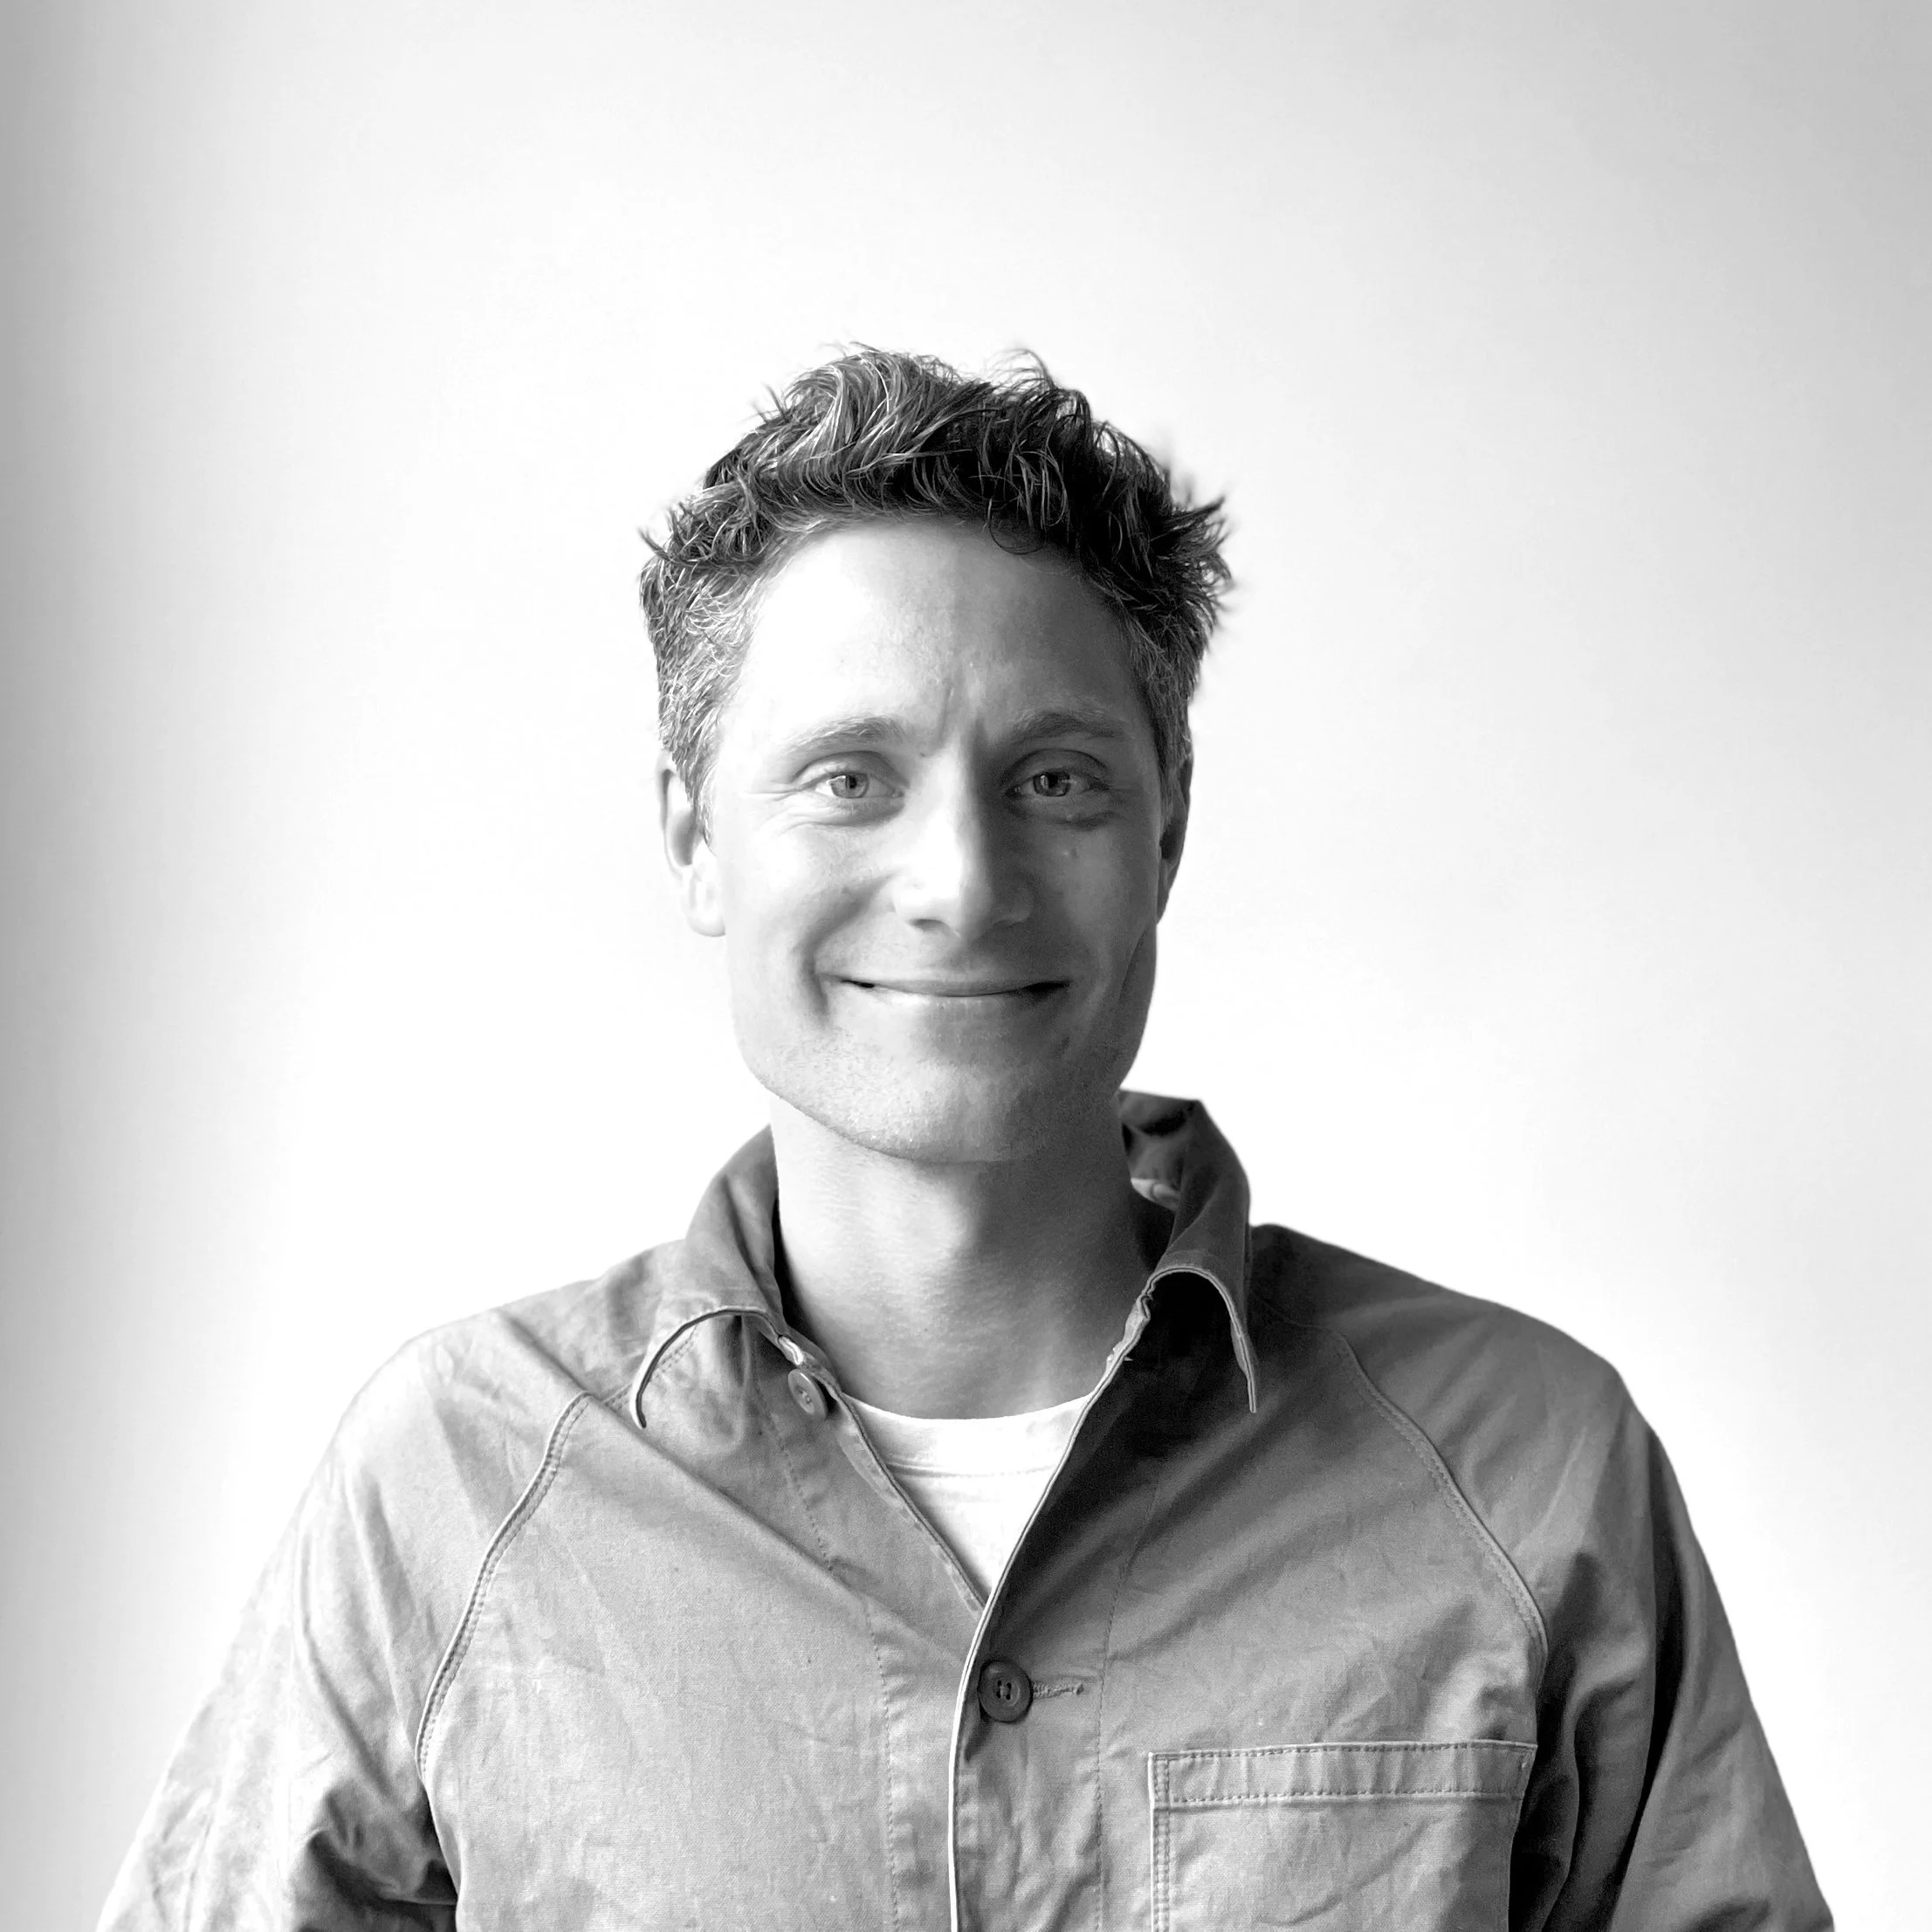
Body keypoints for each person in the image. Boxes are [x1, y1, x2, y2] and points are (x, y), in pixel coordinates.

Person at [101, 348, 1830, 1930]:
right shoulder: (455, 1484)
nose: (957, 882)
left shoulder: (1528, 1468)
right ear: (693, 834)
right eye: (849, 775)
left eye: (1057, 778)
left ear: (1166, 834)